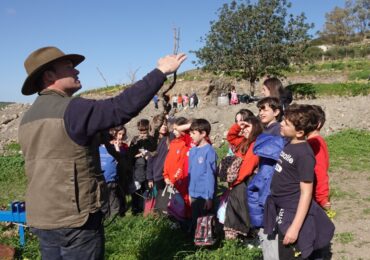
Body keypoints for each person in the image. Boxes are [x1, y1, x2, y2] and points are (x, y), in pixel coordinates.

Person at [18, 46, 186, 259]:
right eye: (69, 67)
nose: (77, 71)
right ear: (49, 76)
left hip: (42, 216)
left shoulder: (28, 118)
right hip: (75, 218)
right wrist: (160, 72)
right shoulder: (72, 109)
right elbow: (121, 107)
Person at [263, 104, 334, 259]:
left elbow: (306, 193)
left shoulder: (305, 155)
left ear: (300, 132)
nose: (281, 123)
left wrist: (295, 228)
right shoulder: (290, 143)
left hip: (292, 210)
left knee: (291, 250)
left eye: (286, 123)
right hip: (282, 206)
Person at [224, 116, 263, 240]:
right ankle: (238, 239)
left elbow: (248, 167)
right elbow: (231, 137)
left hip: (243, 182)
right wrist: (238, 126)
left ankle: (246, 238)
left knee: (242, 210)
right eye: (244, 127)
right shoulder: (243, 141)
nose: (244, 129)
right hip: (238, 182)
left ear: (256, 128)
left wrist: (235, 181)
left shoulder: (255, 144)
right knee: (236, 210)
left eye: (247, 127)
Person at [188, 119, 218, 234]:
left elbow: (210, 175)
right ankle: (197, 243)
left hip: (204, 194)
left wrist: (209, 197)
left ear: (203, 134)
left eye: (193, 133)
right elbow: (190, 173)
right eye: (190, 133)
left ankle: (207, 245)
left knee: (206, 221)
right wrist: (190, 192)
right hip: (194, 193)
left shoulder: (209, 151)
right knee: (196, 220)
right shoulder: (193, 151)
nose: (190, 136)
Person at [163, 117, 192, 219]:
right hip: (171, 180)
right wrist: (166, 176)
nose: (174, 132)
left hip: (180, 180)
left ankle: (186, 221)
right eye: (173, 129)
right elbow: (168, 161)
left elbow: (183, 164)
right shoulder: (173, 143)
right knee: (174, 202)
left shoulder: (186, 144)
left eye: (176, 129)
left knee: (184, 201)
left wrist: (175, 177)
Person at [128, 119, 156, 215]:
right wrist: (137, 153)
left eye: (144, 131)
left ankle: (146, 208)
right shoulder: (135, 139)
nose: (142, 133)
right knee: (136, 189)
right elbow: (130, 154)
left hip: (148, 168)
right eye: (141, 131)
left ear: (148, 130)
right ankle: (135, 209)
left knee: (147, 189)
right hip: (138, 168)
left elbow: (154, 150)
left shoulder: (151, 139)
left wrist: (147, 148)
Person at [307, 105, 331, 210]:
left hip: (312, 195)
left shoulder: (315, 144)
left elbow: (320, 171)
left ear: (318, 124)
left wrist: (322, 198)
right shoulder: (308, 142)